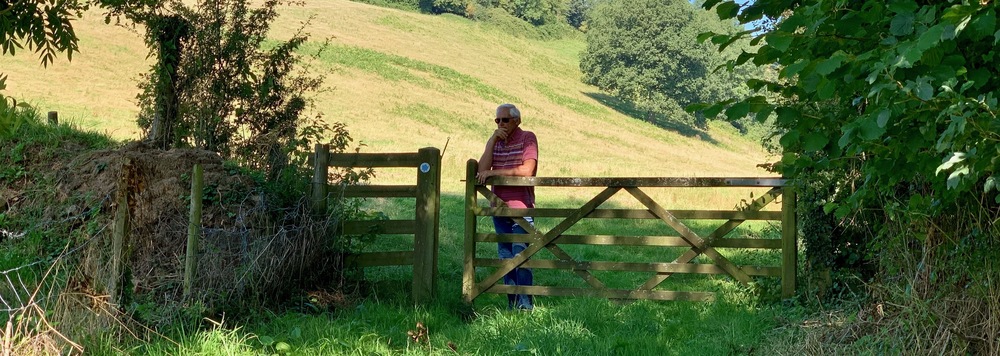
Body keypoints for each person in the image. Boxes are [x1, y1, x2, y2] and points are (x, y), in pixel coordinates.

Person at [477, 103, 538, 310]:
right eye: (497, 120)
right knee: (505, 257)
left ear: (517, 120)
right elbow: (481, 171)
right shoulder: (496, 142)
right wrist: (492, 140)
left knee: (520, 255)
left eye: (504, 120)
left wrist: (495, 173)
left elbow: (528, 170)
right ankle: (512, 305)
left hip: (521, 206)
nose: (500, 124)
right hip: (499, 207)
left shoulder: (527, 138)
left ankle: (526, 304)